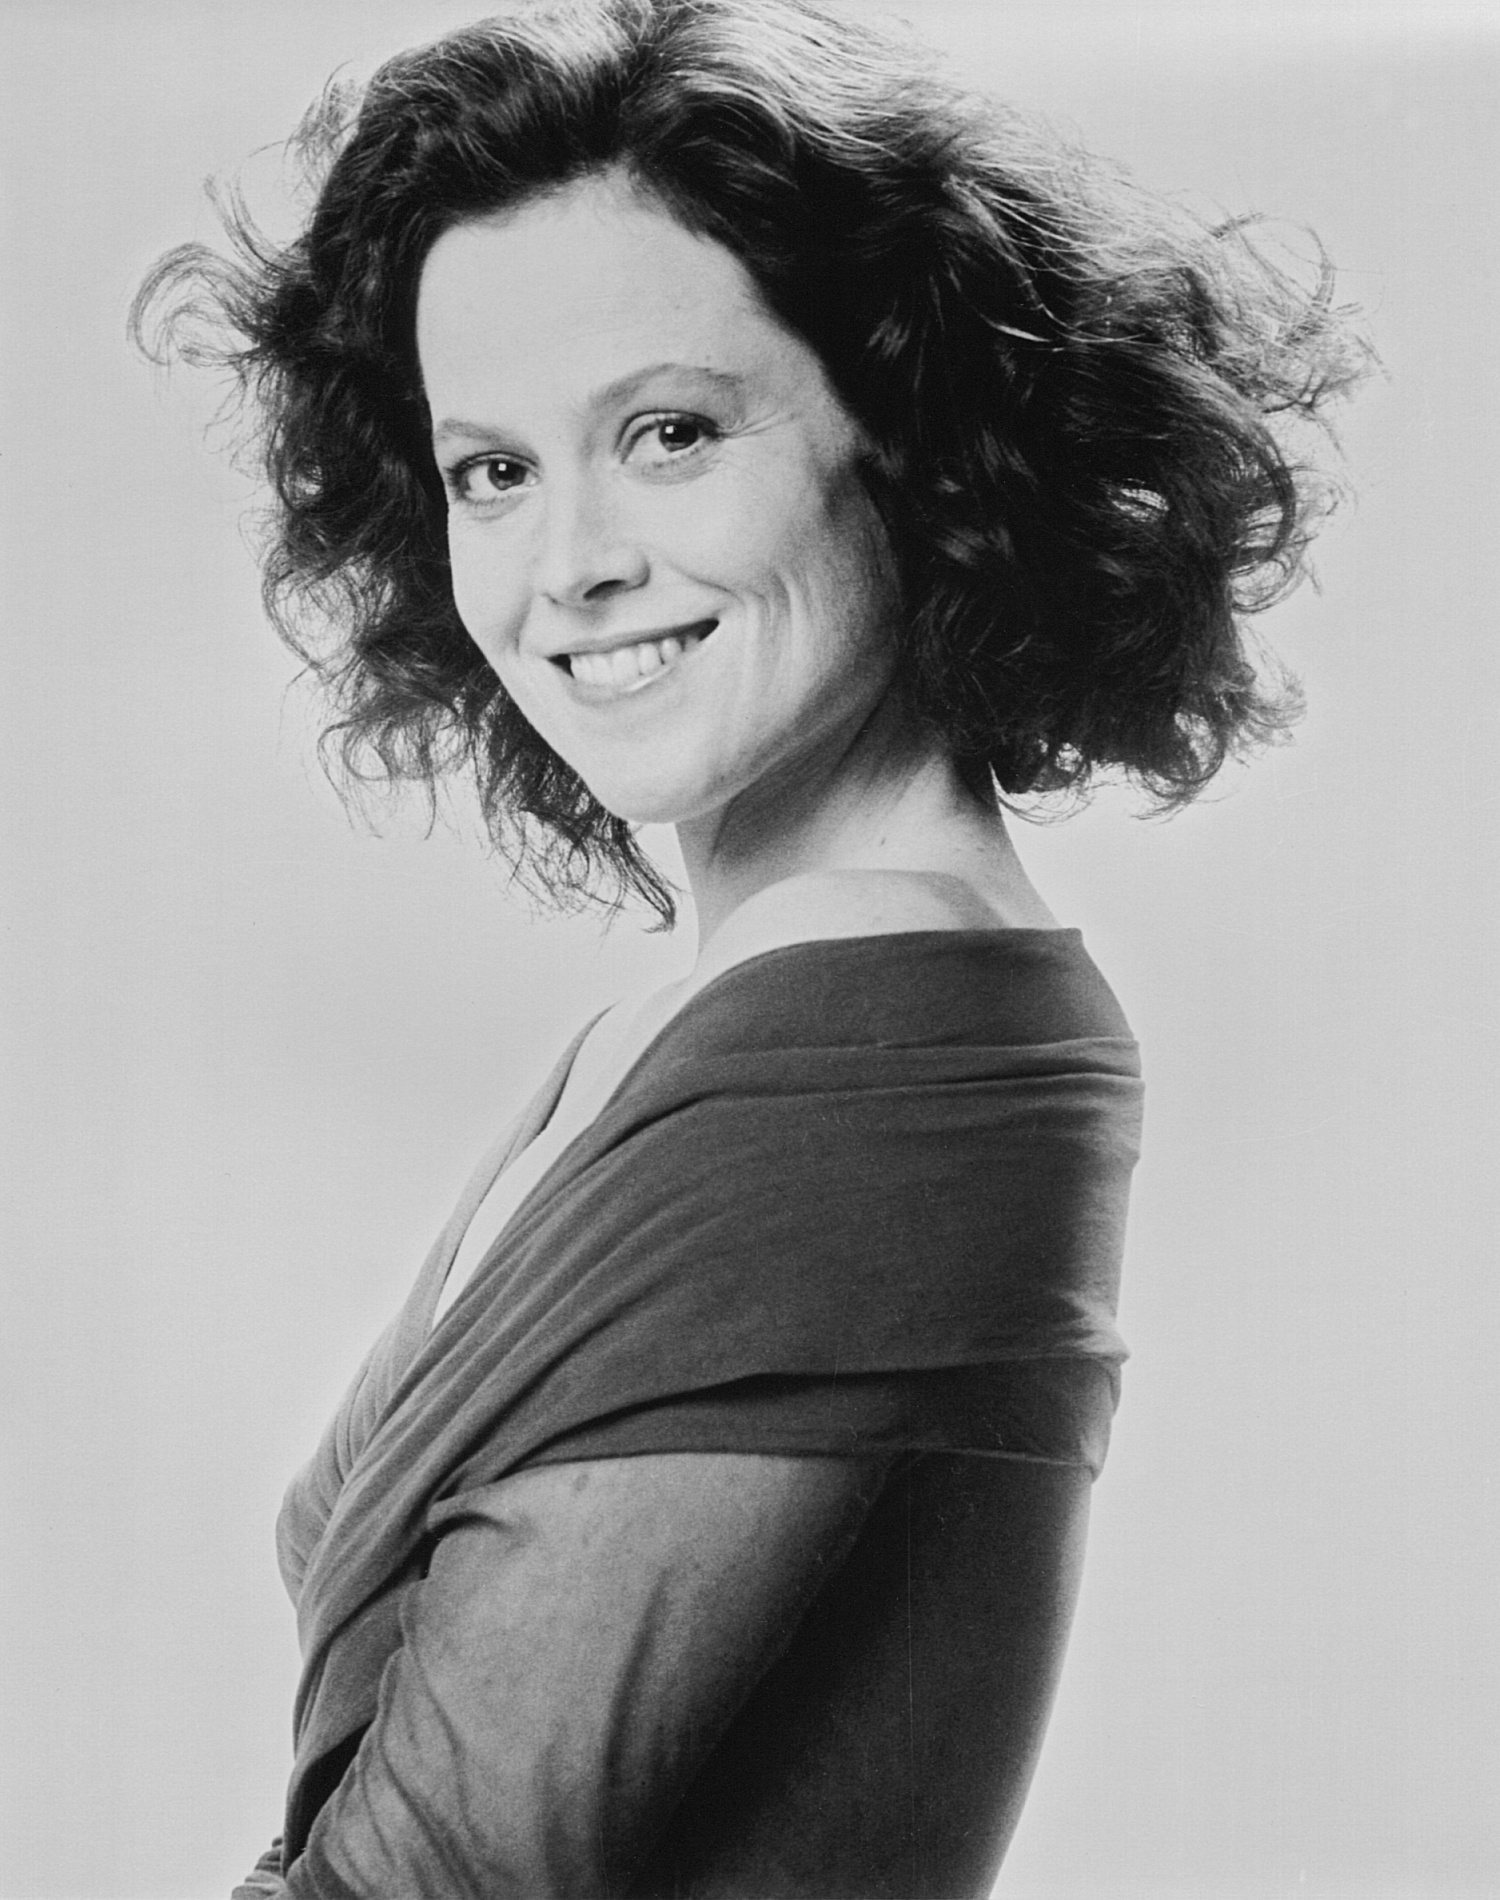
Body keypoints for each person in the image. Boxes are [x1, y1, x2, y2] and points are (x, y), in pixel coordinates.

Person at [133, 1, 1365, 1893]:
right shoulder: (737, 1007)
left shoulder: (882, 1039)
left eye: (670, 433)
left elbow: (441, 1877)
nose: (573, 564)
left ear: (914, 440)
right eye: (492, 470)